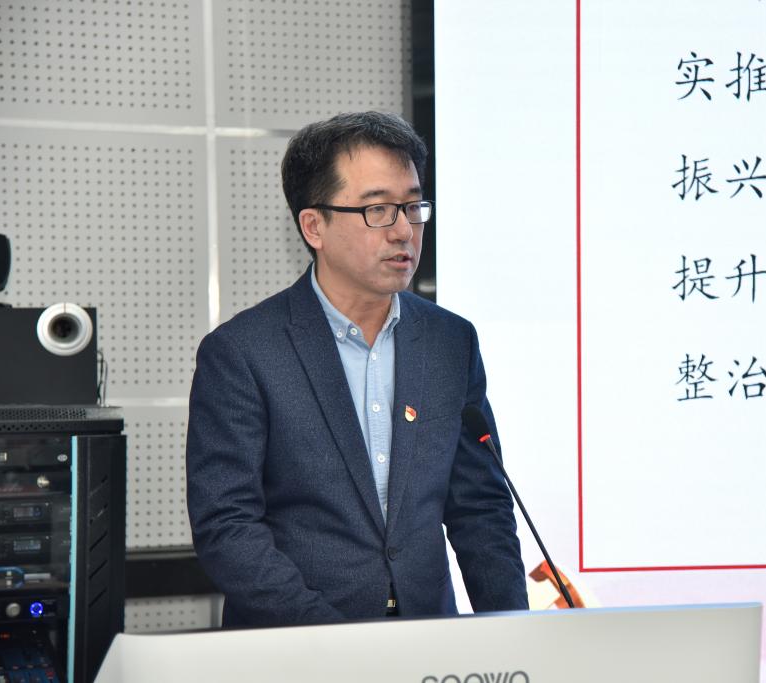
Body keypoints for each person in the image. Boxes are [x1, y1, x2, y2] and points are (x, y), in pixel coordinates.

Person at [185, 111, 528, 627]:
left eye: (413, 207)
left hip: (427, 641)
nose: (404, 231)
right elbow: (228, 528)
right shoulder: (242, 353)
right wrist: (334, 641)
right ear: (314, 226)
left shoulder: (450, 342)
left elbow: (481, 510)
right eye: (378, 210)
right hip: (296, 645)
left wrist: (515, 634)